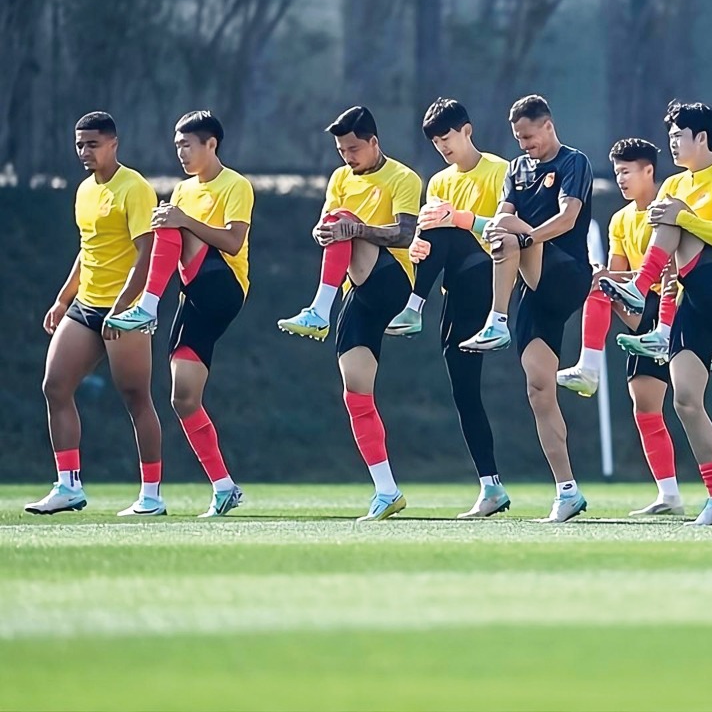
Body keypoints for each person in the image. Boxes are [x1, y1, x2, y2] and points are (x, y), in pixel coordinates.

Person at [601, 101, 712, 526]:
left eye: (678, 137)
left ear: (702, 138)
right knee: (685, 401)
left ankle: (635, 287)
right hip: (688, 293)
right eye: (670, 138)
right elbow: (667, 258)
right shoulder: (672, 186)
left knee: (674, 215)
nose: (672, 145)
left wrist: (687, 217)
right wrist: (665, 307)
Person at [106, 111, 253, 518]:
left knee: (169, 221)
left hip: (224, 285)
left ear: (211, 145)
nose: (181, 153)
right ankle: (224, 487)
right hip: (194, 293)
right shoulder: (184, 190)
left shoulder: (235, 184)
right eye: (177, 146)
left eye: (188, 145)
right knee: (184, 397)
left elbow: (234, 242)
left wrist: (183, 220)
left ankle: (148, 308)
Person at [277, 106, 420, 521]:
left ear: (374, 142)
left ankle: (319, 310)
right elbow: (325, 227)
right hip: (357, 290)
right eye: (341, 150)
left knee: (344, 220)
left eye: (354, 149)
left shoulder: (403, 177)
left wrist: (351, 228)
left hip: (392, 280)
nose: (347, 157)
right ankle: (387, 490)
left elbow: (407, 233)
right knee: (356, 394)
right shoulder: (340, 178)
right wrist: (323, 230)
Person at [458, 95, 594, 522]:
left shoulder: (575, 163)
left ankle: (496, 320)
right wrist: (505, 233)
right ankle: (567, 491)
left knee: (510, 229)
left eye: (530, 137)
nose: (524, 145)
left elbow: (569, 219)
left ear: (548, 127)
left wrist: (524, 238)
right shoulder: (516, 170)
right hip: (534, 289)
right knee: (539, 390)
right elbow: (502, 215)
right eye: (518, 139)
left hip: (567, 272)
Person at [25, 112, 164, 517]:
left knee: (136, 396)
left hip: (126, 310)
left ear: (113, 143)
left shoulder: (134, 188)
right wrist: (63, 298)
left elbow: (147, 253)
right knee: (55, 385)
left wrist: (123, 305)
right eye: (80, 144)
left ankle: (151, 495)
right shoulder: (85, 190)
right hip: (87, 305)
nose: (85, 152)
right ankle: (68, 486)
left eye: (93, 144)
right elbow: (88, 250)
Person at [392, 99, 510, 518]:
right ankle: (490, 486)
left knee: (445, 223)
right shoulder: (438, 181)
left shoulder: (500, 171)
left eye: (447, 138)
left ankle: (412, 306)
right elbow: (428, 235)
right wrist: (419, 247)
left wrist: (457, 219)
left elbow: (503, 230)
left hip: (490, 273)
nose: (442, 147)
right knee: (464, 391)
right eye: (436, 141)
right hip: (455, 288)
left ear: (467, 131)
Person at [557, 138, 684, 515]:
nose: (621, 179)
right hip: (641, 308)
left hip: (675, 306)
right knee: (645, 407)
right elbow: (618, 275)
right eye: (617, 173)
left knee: (689, 403)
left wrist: (619, 279)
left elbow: (672, 270)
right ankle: (669, 496)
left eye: (627, 172)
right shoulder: (620, 219)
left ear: (649, 171)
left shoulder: (670, 207)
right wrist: (602, 274)